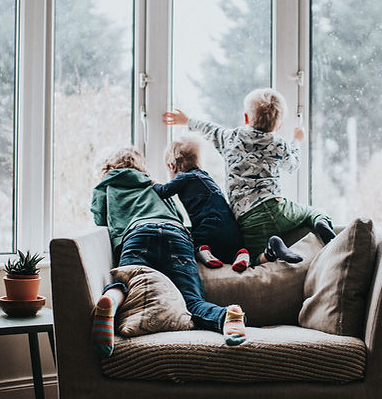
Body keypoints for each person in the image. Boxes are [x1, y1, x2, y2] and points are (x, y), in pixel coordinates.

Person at [89, 147, 246, 357]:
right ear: (139, 165)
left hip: (137, 234)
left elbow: (100, 220)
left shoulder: (106, 185)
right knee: (191, 300)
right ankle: (226, 316)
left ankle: (111, 301)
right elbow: (179, 215)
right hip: (176, 234)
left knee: (127, 287)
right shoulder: (152, 184)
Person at [163, 88, 336, 266]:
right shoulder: (278, 144)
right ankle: (321, 224)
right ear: (279, 126)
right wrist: (297, 141)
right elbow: (293, 164)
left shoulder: (231, 138)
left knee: (252, 260)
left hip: (247, 217)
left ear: (246, 118)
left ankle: (271, 249)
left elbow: (210, 130)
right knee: (313, 212)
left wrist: (187, 121)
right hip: (276, 206)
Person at [153, 137, 250, 272]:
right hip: (230, 228)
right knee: (234, 248)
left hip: (208, 225)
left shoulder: (183, 177)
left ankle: (203, 252)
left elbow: (163, 192)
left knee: (196, 241)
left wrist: (152, 183)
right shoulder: (205, 176)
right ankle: (241, 254)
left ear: (172, 165)